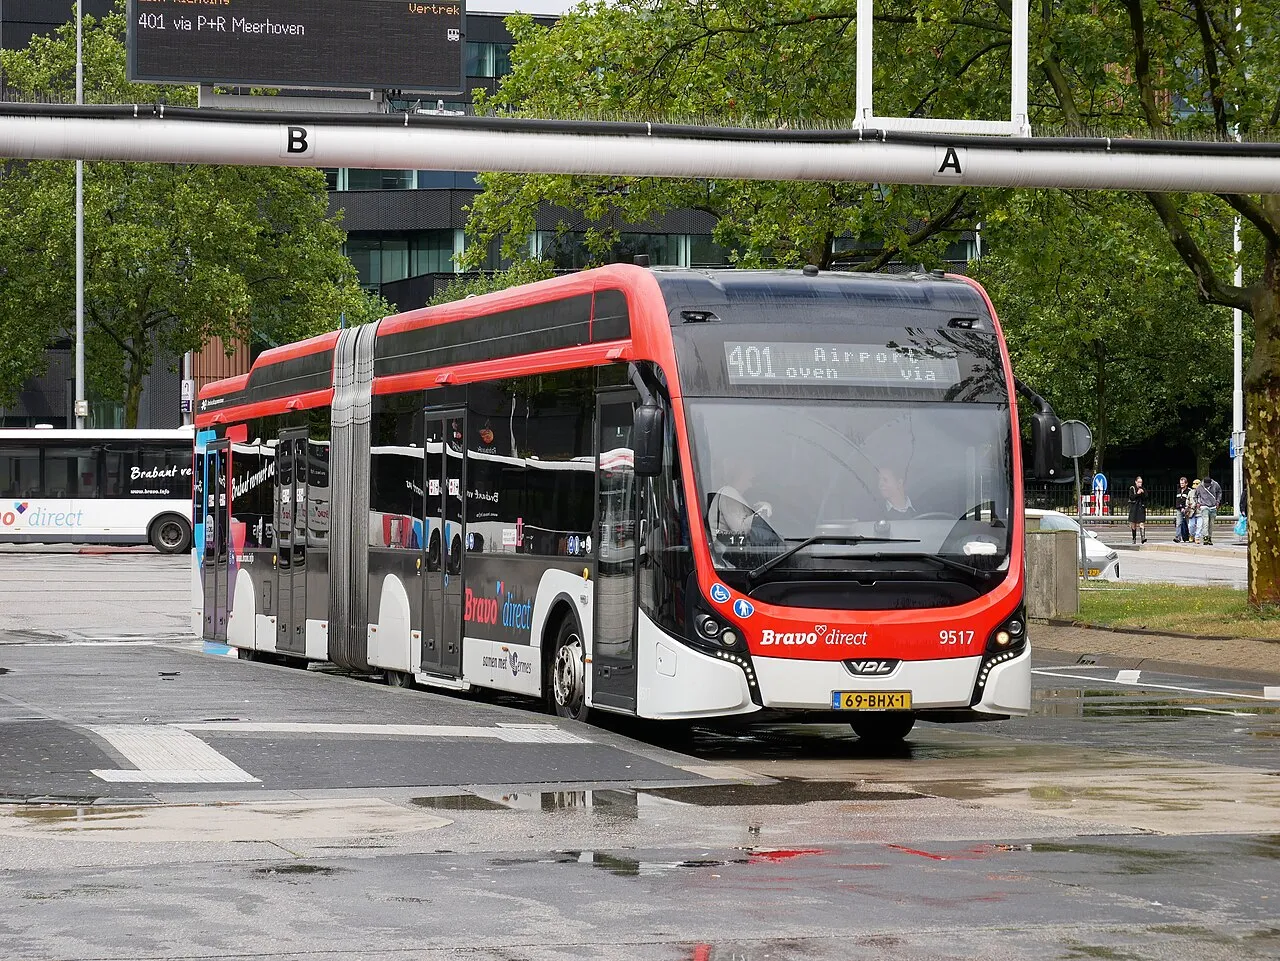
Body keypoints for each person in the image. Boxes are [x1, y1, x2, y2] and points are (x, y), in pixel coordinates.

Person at [1196, 472, 1223, 545]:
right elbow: (1196, 495)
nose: (1207, 486)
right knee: (1205, 522)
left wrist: (1217, 501)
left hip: (1213, 506)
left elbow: (1219, 492)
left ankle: (1209, 537)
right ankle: (1205, 537)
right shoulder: (1200, 486)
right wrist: (1198, 503)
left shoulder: (1215, 484)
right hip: (1204, 506)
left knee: (1211, 524)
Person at [1128, 475, 1147, 544]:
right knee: (1133, 524)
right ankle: (1134, 538)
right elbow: (1131, 497)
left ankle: (1143, 538)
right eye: (1138, 482)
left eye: (1141, 482)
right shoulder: (1132, 488)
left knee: (1142, 523)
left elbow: (1146, 497)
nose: (1140, 484)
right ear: (1136, 482)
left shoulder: (1143, 489)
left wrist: (1143, 493)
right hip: (1134, 508)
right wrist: (1137, 494)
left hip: (1141, 508)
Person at [1173, 476, 1192, 543]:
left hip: (1186, 509)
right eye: (1181, 483)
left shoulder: (1189, 491)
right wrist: (1179, 507)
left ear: (1186, 483)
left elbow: (1190, 500)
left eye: (1183, 483)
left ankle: (1191, 536)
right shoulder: (1178, 490)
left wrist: (1185, 508)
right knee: (1178, 523)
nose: (1181, 485)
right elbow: (1178, 500)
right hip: (1179, 509)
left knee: (1189, 524)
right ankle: (1178, 537)